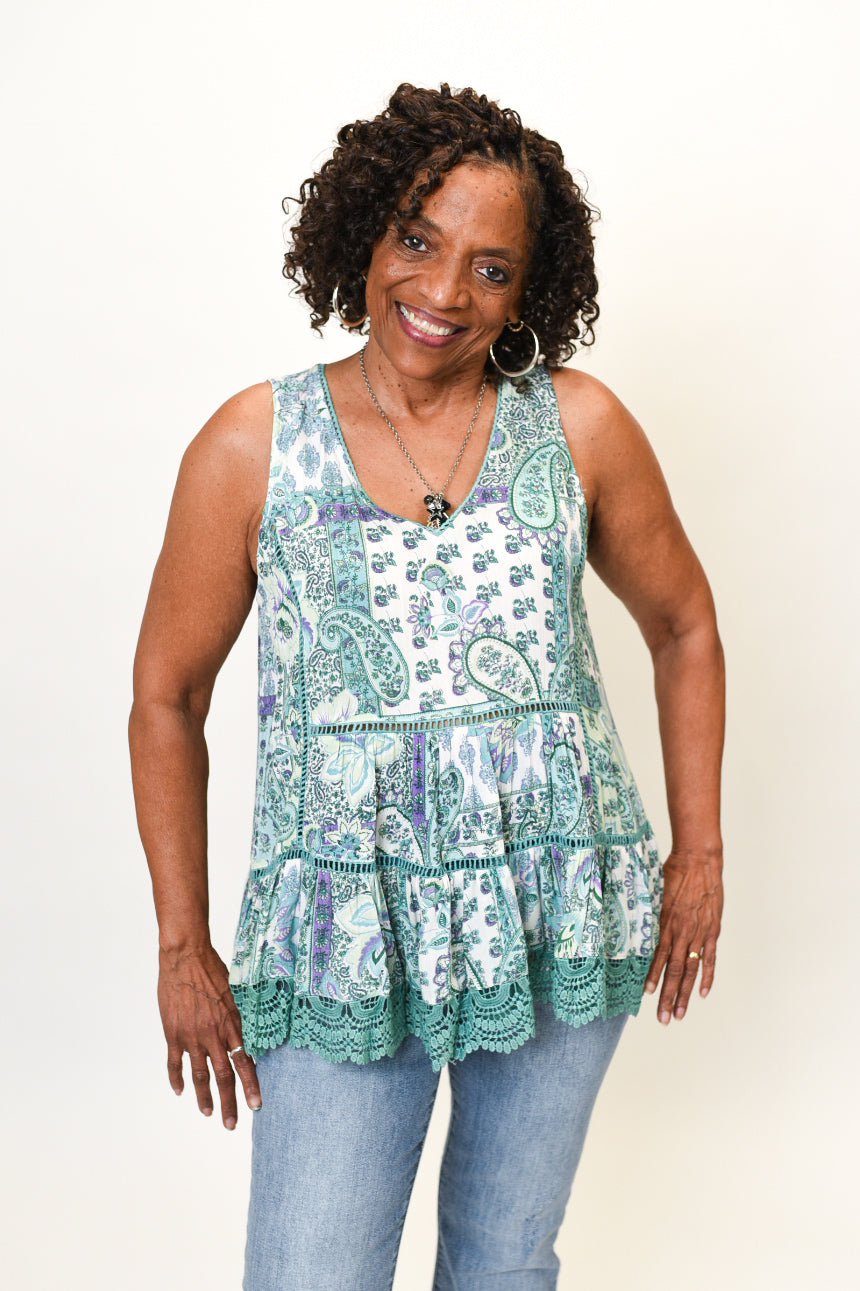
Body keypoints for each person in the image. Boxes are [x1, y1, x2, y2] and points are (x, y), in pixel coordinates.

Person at [129, 83, 724, 1291]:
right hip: (342, 933)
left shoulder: (579, 426)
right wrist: (183, 943)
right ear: (362, 230)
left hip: (558, 902)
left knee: (504, 1262)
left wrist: (697, 852)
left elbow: (683, 625)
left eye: (491, 268)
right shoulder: (252, 445)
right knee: (309, 1272)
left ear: (529, 288)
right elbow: (165, 699)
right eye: (416, 237)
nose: (444, 292)